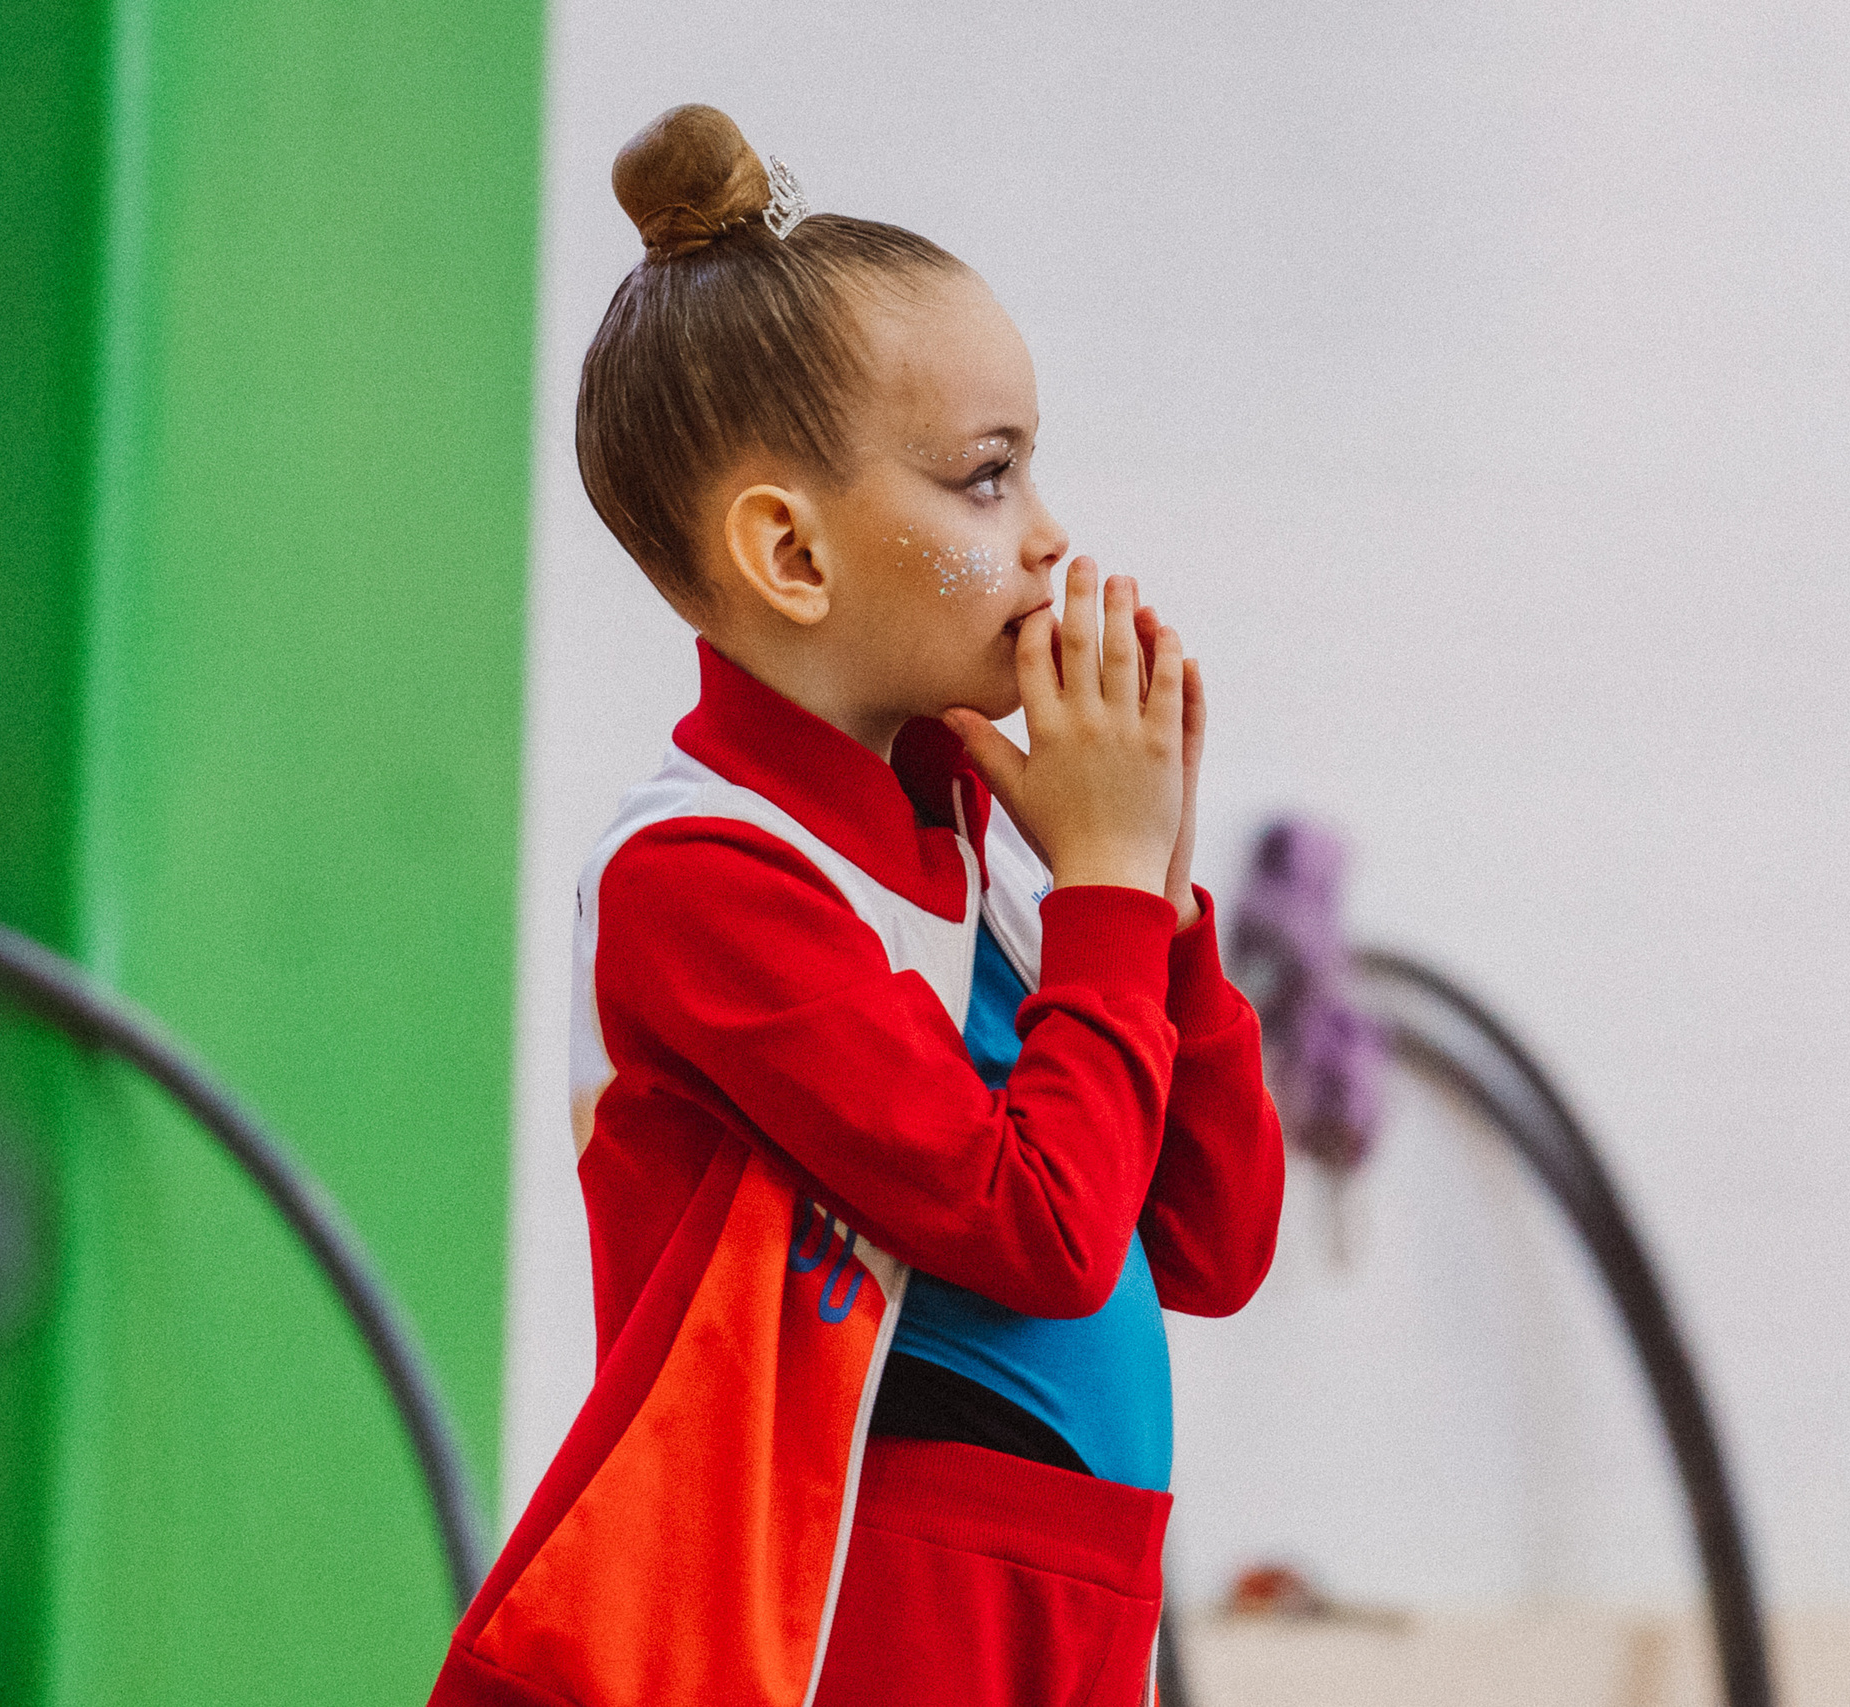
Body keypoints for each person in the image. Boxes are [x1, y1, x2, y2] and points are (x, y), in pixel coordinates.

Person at [427, 104, 1285, 1707]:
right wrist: (1097, 888)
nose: (1047, 539)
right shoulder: (704, 878)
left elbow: (1211, 1238)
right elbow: (1031, 1223)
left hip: (1070, 1590)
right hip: (857, 1616)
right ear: (792, 554)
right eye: (987, 477)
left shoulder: (980, 842)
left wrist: (1152, 898)